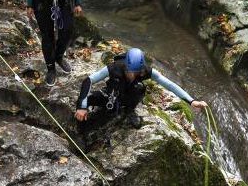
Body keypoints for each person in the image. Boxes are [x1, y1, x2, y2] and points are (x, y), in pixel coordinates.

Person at [75, 47, 208, 129]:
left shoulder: (146, 71)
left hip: (129, 96)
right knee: (91, 99)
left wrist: (191, 101)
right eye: (128, 71)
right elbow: (89, 80)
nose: (131, 74)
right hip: (112, 94)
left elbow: (170, 84)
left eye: (135, 72)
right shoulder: (115, 67)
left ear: (140, 70)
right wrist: (82, 106)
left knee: (139, 88)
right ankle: (81, 120)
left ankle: (129, 111)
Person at [26, 0, 83, 85]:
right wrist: (30, 4)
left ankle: (59, 56)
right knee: (47, 35)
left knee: (68, 30)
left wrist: (78, 2)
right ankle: (51, 68)